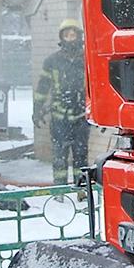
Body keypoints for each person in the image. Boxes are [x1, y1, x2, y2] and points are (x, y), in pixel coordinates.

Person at [34, 19, 90, 184]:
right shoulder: (52, 61)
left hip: (81, 117)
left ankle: (81, 190)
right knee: (59, 155)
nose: (70, 38)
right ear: (61, 37)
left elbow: (97, 85)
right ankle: (59, 192)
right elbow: (42, 88)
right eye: (67, 35)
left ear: (79, 36)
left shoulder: (87, 59)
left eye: (73, 35)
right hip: (59, 118)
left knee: (81, 156)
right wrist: (37, 109)